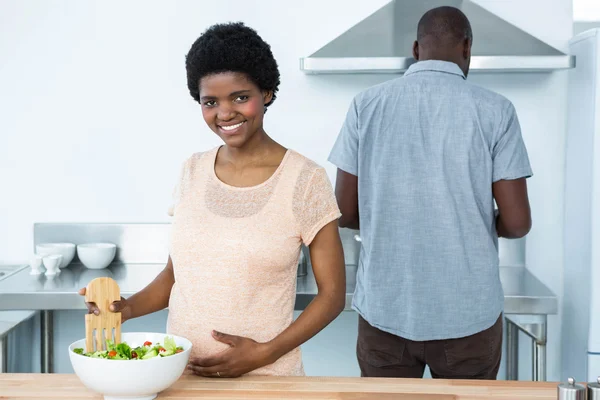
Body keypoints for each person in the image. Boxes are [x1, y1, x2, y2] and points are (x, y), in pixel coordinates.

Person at [79, 22, 346, 378]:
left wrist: (263, 354)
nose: (224, 113)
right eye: (210, 102)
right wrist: (125, 309)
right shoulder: (193, 170)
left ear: (266, 92)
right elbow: (176, 277)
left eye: (240, 97)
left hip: (268, 382)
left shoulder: (305, 179)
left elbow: (332, 296)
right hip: (179, 377)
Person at [328, 6, 532, 380]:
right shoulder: (496, 110)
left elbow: (344, 210)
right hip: (469, 317)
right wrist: (478, 220)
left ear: (416, 49)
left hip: (386, 313)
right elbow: (518, 223)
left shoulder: (365, 105)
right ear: (466, 47)